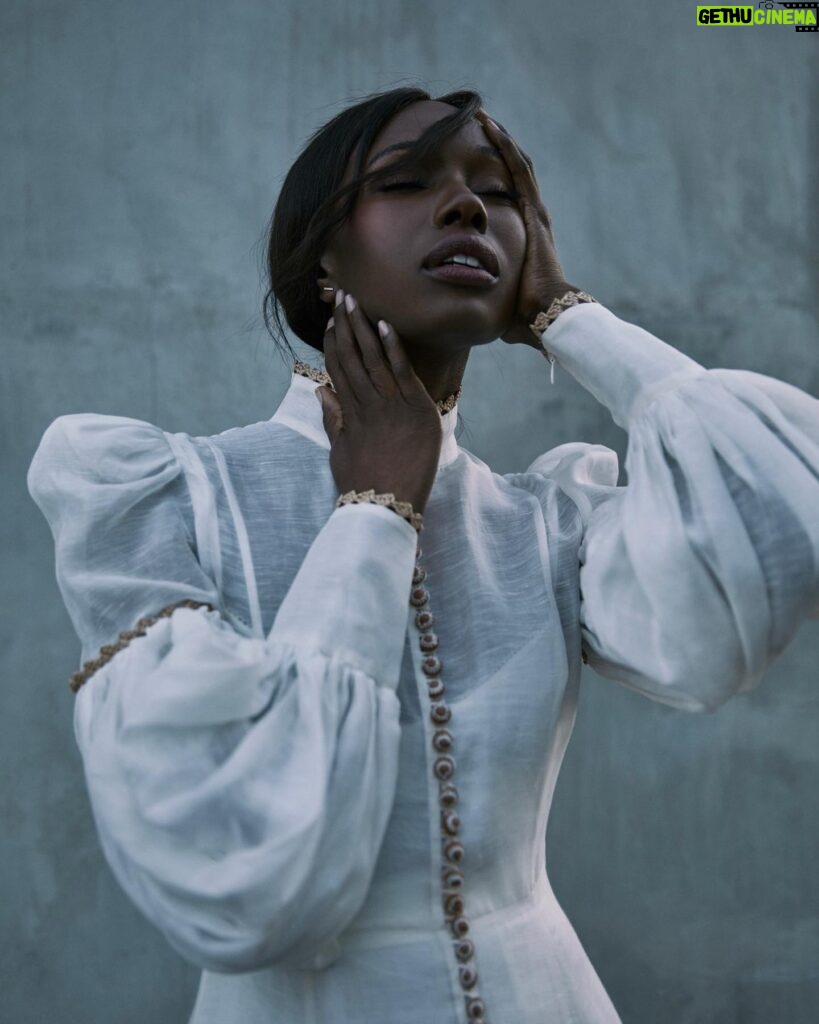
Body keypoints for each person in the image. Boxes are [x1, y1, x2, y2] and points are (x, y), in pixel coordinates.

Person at [27, 85, 819, 1024]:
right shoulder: (167, 497)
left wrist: (570, 317)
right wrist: (375, 506)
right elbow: (233, 877)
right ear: (322, 254)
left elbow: (779, 515)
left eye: (498, 192)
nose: (466, 207)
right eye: (407, 181)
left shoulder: (547, 522)